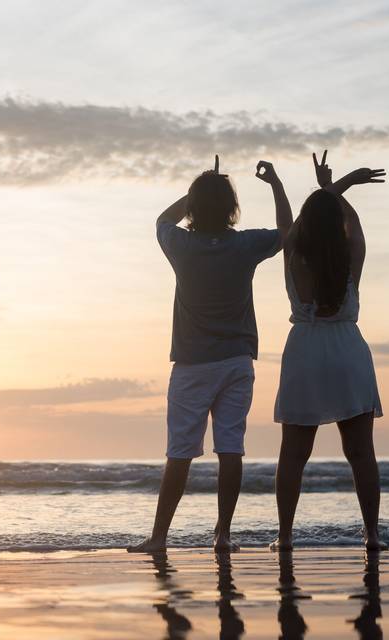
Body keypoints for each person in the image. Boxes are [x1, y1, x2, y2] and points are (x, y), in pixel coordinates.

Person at [128, 155, 292, 553]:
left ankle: (159, 537)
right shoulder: (245, 243)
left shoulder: (181, 245)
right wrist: (274, 184)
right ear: (231, 208)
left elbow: (160, 221)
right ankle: (222, 535)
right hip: (236, 360)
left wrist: (194, 194)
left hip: (191, 365)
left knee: (180, 453)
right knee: (230, 448)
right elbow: (288, 231)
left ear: (195, 209)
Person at [271, 150, 387, 551]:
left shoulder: (293, 253)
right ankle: (371, 534)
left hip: (305, 352)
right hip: (347, 352)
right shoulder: (351, 257)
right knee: (360, 453)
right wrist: (336, 188)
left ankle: (285, 537)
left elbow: (289, 225)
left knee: (293, 454)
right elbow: (353, 224)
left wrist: (323, 189)